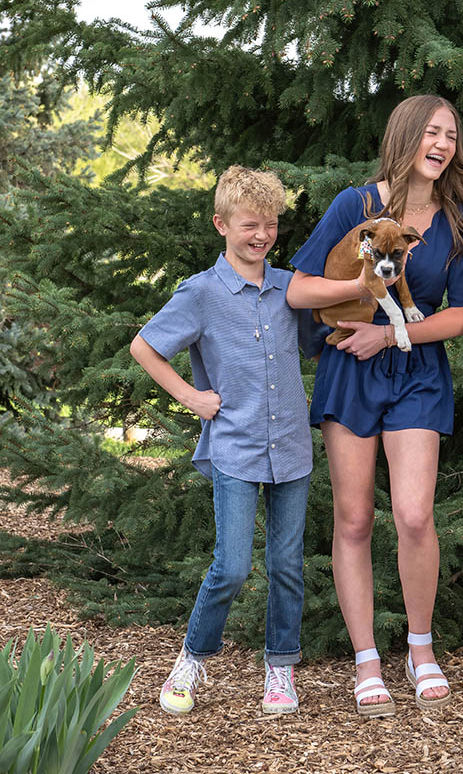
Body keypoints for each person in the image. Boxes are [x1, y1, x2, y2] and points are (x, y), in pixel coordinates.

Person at [285, 95, 463, 716]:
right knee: (352, 520)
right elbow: (298, 288)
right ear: (404, 135)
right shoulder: (356, 206)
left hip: (415, 370)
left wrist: (391, 332)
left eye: (450, 135)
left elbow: (460, 314)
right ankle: (367, 659)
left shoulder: (458, 219)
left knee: (415, 515)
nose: (442, 143)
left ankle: (421, 650)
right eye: (431, 131)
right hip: (350, 367)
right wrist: (364, 291)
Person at [129, 165, 313, 716]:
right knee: (230, 566)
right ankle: (191, 657)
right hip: (233, 445)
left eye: (272, 225)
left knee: (287, 564)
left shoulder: (289, 289)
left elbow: (319, 342)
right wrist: (192, 398)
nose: (262, 236)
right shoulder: (202, 293)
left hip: (292, 447)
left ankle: (280, 671)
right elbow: (145, 348)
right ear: (221, 225)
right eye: (250, 225)